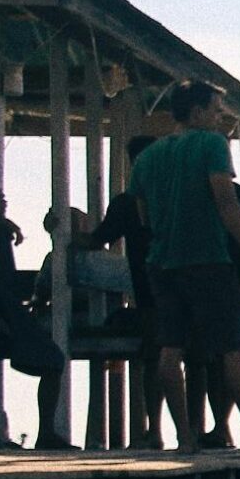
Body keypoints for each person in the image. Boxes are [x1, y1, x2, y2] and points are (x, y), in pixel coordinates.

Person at [130, 81, 240, 453]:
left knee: (171, 347)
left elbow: (143, 214)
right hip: (208, 259)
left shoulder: (147, 157)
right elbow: (226, 201)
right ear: (197, 112)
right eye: (216, 110)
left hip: (162, 263)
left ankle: (184, 437)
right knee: (233, 348)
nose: (221, 119)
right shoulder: (211, 145)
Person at [0, 174, 72, 448]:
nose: (4, 202)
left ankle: (46, 434)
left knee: (51, 360)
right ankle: (46, 434)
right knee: (53, 360)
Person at [84, 137, 168, 445]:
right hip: (174, 285)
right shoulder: (174, 197)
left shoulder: (127, 202)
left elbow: (97, 239)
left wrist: (65, 236)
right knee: (185, 358)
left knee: (156, 355)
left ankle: (157, 430)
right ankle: (184, 430)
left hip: (149, 288)